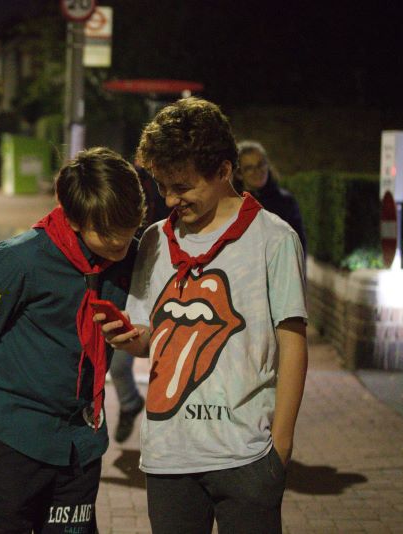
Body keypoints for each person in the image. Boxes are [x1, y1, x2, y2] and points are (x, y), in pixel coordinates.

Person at [98, 97, 308, 533]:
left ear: (223, 171)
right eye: (162, 186)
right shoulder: (156, 239)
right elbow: (148, 338)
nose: (171, 199)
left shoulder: (274, 238)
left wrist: (280, 449)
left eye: (183, 186)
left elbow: (292, 342)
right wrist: (127, 336)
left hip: (246, 455)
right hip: (168, 457)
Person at [0, 147, 146, 533]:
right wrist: (8, 391)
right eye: (108, 233)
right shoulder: (19, 259)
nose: (121, 243)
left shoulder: (131, 259)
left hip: (81, 438)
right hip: (12, 434)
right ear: (75, 219)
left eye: (129, 229)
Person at [109, 165, 170, 443]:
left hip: (154, 291)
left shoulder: (169, 193)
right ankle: (130, 402)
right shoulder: (124, 187)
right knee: (116, 361)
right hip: (123, 289)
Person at [233, 140, 306, 253]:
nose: (257, 171)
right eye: (249, 168)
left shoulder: (286, 201)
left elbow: (299, 244)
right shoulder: (232, 204)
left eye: (261, 164)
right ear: (239, 174)